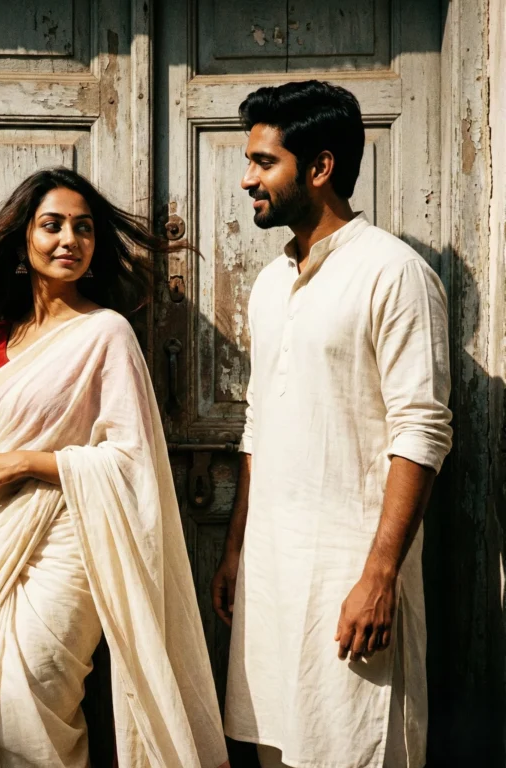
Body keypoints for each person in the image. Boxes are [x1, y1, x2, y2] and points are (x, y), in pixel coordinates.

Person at [0, 167, 229, 768]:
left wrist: (31, 463)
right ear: (23, 242)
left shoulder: (106, 333)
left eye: (83, 228)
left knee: (33, 705)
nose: (69, 239)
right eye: (52, 225)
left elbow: (131, 458)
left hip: (70, 547)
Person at [211, 81, 452, 768]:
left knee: (353, 747)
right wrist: (236, 549)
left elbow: (421, 431)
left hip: (351, 582)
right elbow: (259, 424)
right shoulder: (269, 283)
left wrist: (380, 575)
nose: (246, 178)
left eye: (264, 162)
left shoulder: (394, 274)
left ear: (319, 168)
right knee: (277, 748)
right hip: (273, 579)